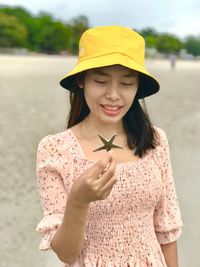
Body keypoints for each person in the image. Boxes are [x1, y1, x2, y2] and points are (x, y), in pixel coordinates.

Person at [35, 26, 183, 267]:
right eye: (101, 81)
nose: (114, 95)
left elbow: (166, 228)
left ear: (137, 87)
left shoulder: (155, 140)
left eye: (126, 83)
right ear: (81, 80)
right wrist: (78, 201)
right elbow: (66, 254)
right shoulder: (55, 149)